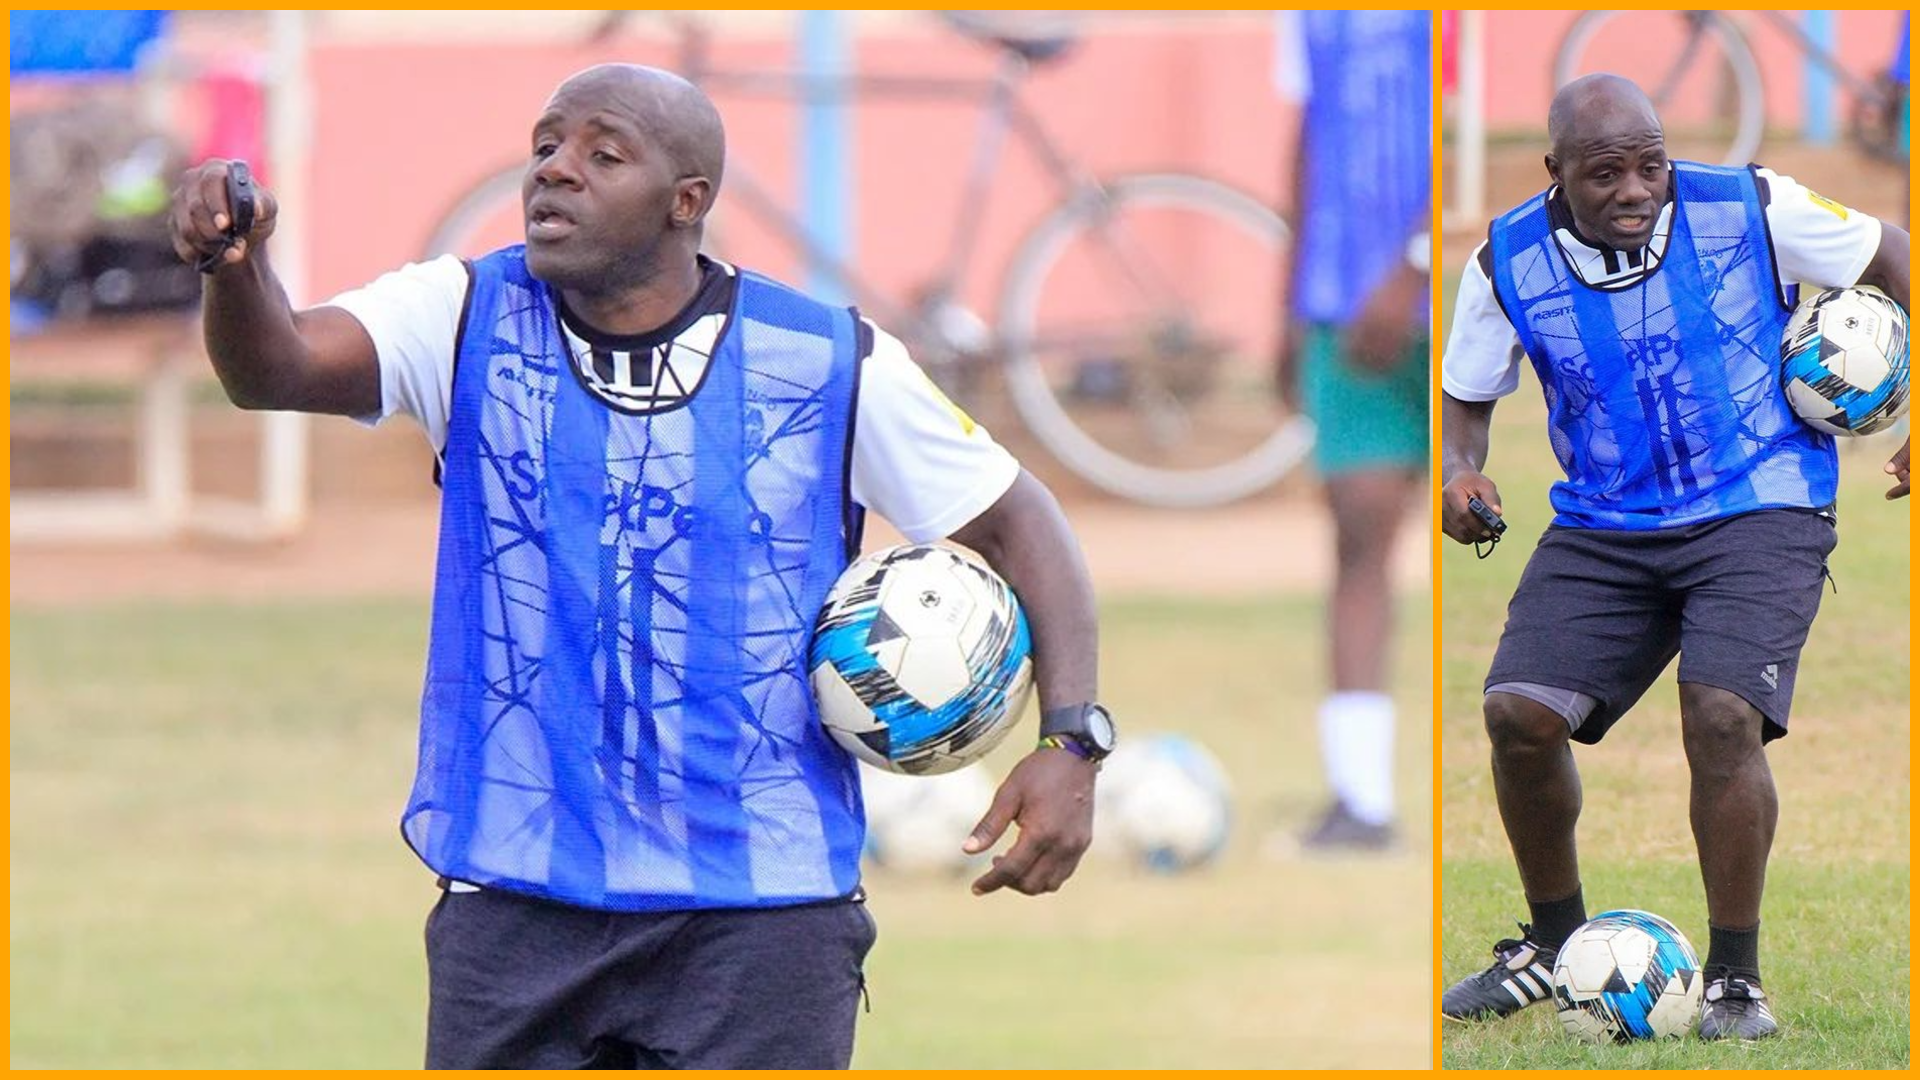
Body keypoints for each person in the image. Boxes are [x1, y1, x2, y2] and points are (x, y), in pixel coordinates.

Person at [169, 63, 1112, 1070]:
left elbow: (1019, 523)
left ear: (685, 201)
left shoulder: (828, 360)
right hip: (516, 906)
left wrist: (1072, 741)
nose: (554, 170)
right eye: (545, 146)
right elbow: (277, 366)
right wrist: (234, 266)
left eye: (602, 154)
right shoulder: (461, 315)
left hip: (762, 918)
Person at [1437, 74, 1910, 1040]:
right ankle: (1552, 948)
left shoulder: (1753, 205)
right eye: (1605, 173)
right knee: (1518, 716)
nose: (1635, 190)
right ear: (1555, 171)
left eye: (1650, 166)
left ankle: (1734, 981)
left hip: (1760, 500)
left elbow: (1895, 254)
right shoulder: (1503, 261)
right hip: (1606, 520)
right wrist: (1459, 470)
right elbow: (1466, 392)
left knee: (1723, 716)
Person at [1271, 10, 1431, 852]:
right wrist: (1288, 304)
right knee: (1360, 533)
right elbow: (1308, 139)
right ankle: (1362, 801)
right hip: (1341, 297)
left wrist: (1415, 268)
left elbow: (1479, 129)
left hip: (1463, 288)